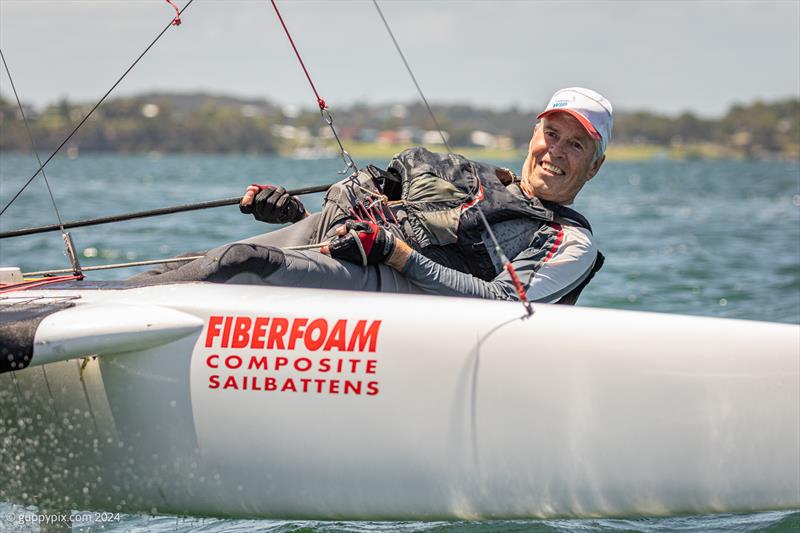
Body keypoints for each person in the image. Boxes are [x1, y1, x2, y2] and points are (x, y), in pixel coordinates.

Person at [136, 87, 611, 305]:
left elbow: (505, 302)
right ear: (534, 134)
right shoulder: (479, 179)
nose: (556, 152)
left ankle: (91, 311)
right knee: (189, 261)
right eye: (551, 134)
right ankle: (77, 301)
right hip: (347, 249)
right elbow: (379, 216)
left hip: (396, 283)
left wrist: (396, 254)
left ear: (595, 164)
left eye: (576, 145)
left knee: (238, 261)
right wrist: (293, 213)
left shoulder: (568, 240)